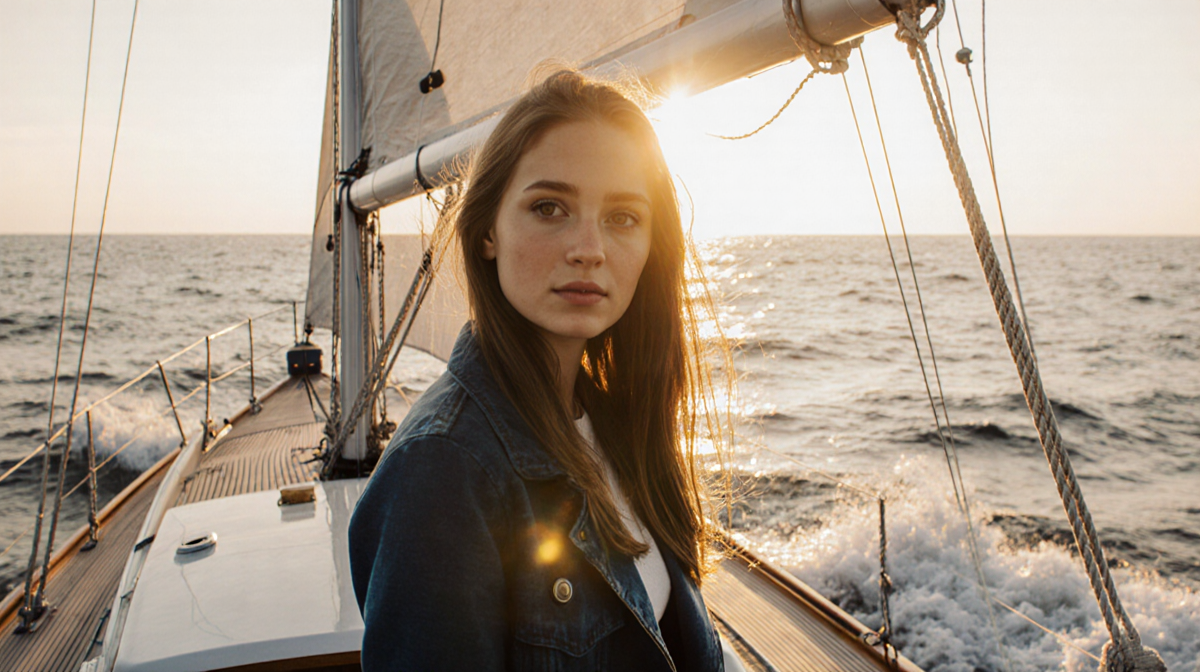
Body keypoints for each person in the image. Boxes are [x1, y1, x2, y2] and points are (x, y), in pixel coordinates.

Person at [349, 69, 743, 671]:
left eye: (623, 217)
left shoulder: (615, 421)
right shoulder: (442, 471)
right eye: (549, 207)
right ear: (487, 232)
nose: (589, 247)